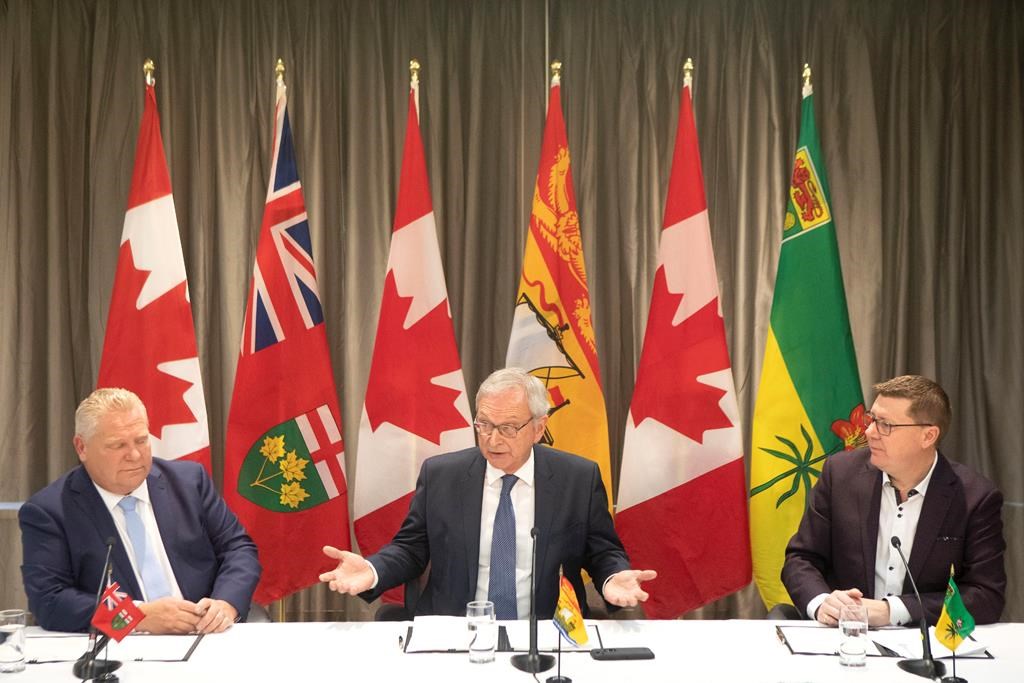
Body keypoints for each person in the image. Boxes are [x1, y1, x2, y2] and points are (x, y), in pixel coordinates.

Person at [321, 367, 657, 619]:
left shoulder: (577, 478)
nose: (493, 440)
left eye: (509, 428)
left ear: (539, 428)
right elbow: (411, 548)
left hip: (544, 633)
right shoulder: (442, 475)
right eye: (484, 425)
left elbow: (601, 552)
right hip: (455, 633)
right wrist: (373, 571)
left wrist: (613, 577)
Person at [19, 388, 261, 634]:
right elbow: (49, 601)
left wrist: (226, 604)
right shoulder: (49, 511)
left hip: (205, 635)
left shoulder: (189, 483)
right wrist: (134, 616)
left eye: (142, 440)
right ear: (82, 447)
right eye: (118, 445)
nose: (134, 455)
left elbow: (238, 548)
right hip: (123, 649)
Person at [782, 375, 1006, 627]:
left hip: (923, 645)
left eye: (885, 425)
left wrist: (893, 611)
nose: (869, 432)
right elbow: (801, 558)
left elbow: (986, 596)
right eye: (871, 420)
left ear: (928, 436)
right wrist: (823, 603)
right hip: (843, 637)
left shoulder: (975, 497)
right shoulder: (840, 474)